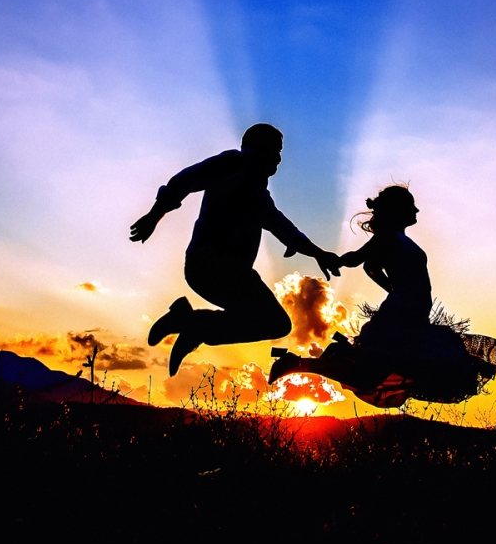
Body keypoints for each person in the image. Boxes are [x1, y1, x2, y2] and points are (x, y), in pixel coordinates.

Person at [130, 123, 341, 374]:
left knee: (273, 323)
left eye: (280, 152)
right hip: (212, 265)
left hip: (227, 272)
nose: (279, 158)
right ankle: (191, 323)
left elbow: (284, 229)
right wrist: (154, 215)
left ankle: (193, 324)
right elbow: (184, 180)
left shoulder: (259, 196)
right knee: (274, 322)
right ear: (258, 149)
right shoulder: (233, 163)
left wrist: (318, 253)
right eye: (275, 150)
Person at [267, 184, 496, 407]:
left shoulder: (398, 239)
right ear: (397, 210)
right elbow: (358, 259)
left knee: (369, 376)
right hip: (400, 316)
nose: (416, 210)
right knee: (372, 375)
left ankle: (298, 363)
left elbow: (371, 267)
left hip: (410, 315)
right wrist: (331, 259)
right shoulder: (387, 237)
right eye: (411, 206)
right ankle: (298, 363)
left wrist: (392, 288)